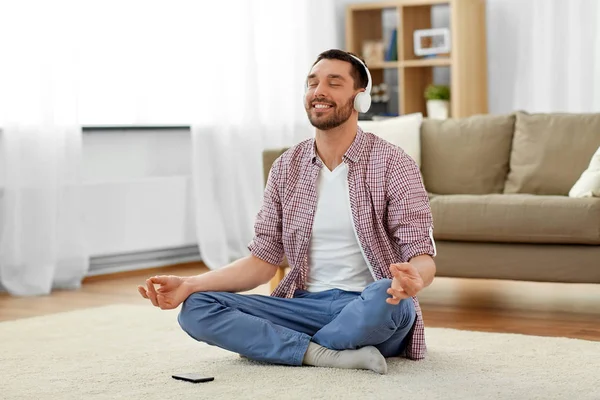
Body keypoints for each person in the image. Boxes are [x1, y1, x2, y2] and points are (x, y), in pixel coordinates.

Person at [138, 49, 437, 375]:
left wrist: (413, 280)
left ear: (360, 99)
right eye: (312, 83)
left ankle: (284, 346)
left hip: (370, 303)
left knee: (387, 300)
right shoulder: (286, 167)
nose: (318, 91)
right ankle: (327, 354)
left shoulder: (394, 163)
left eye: (333, 83)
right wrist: (190, 283)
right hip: (303, 305)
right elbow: (262, 262)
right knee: (196, 308)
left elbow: (421, 255)